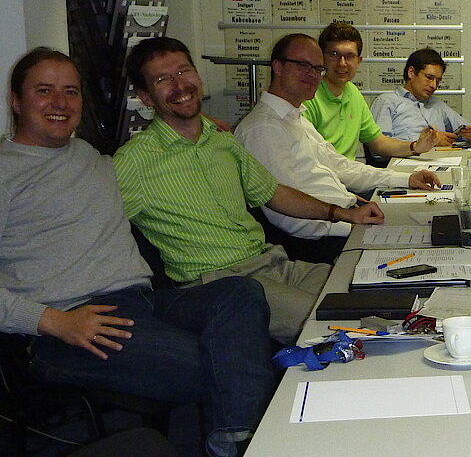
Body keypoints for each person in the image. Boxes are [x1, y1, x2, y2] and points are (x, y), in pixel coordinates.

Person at [1, 48, 276, 457]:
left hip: (142, 303)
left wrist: (202, 126)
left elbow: (161, 148)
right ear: (16, 101)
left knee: (241, 293)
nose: (60, 102)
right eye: (44, 91)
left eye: (70, 91)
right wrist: (53, 321)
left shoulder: (89, 156)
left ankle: (237, 439)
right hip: (69, 325)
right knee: (225, 363)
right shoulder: (6, 172)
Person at [114, 37, 384, 344]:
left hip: (271, 263)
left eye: (183, 71)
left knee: (371, 294)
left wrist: (343, 214)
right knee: (335, 324)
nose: (179, 85)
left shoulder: (222, 141)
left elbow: (274, 193)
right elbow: (97, 232)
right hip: (218, 283)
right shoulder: (133, 161)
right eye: (162, 80)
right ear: (146, 98)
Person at [235, 33, 441, 262]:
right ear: (278, 67)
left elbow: (340, 166)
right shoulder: (263, 128)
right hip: (321, 242)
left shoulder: (295, 117)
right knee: (428, 252)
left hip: (346, 217)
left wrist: (405, 179)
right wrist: (350, 226)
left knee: (434, 230)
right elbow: (287, 217)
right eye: (303, 65)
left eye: (317, 68)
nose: (312, 75)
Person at [304, 22, 435, 161]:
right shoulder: (308, 96)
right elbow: (307, 159)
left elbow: (378, 142)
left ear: (358, 61)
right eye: (334, 54)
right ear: (321, 58)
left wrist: (415, 147)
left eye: (349, 56)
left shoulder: (352, 92)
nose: (342, 63)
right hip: (322, 173)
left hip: (348, 173)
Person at [370, 47, 471, 147]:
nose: (434, 86)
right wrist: (430, 142)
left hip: (442, 159)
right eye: (429, 77)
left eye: (438, 81)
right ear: (411, 72)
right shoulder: (386, 101)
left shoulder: (437, 105)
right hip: (406, 160)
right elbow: (378, 147)